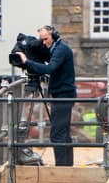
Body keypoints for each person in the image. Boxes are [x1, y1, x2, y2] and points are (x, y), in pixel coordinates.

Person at [16, 25, 77, 167]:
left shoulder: (61, 49)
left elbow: (50, 68)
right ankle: (67, 166)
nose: (44, 43)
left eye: (46, 39)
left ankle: (62, 168)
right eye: (41, 40)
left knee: (57, 135)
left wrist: (27, 62)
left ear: (54, 35)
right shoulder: (57, 48)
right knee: (63, 134)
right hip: (61, 94)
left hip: (63, 96)